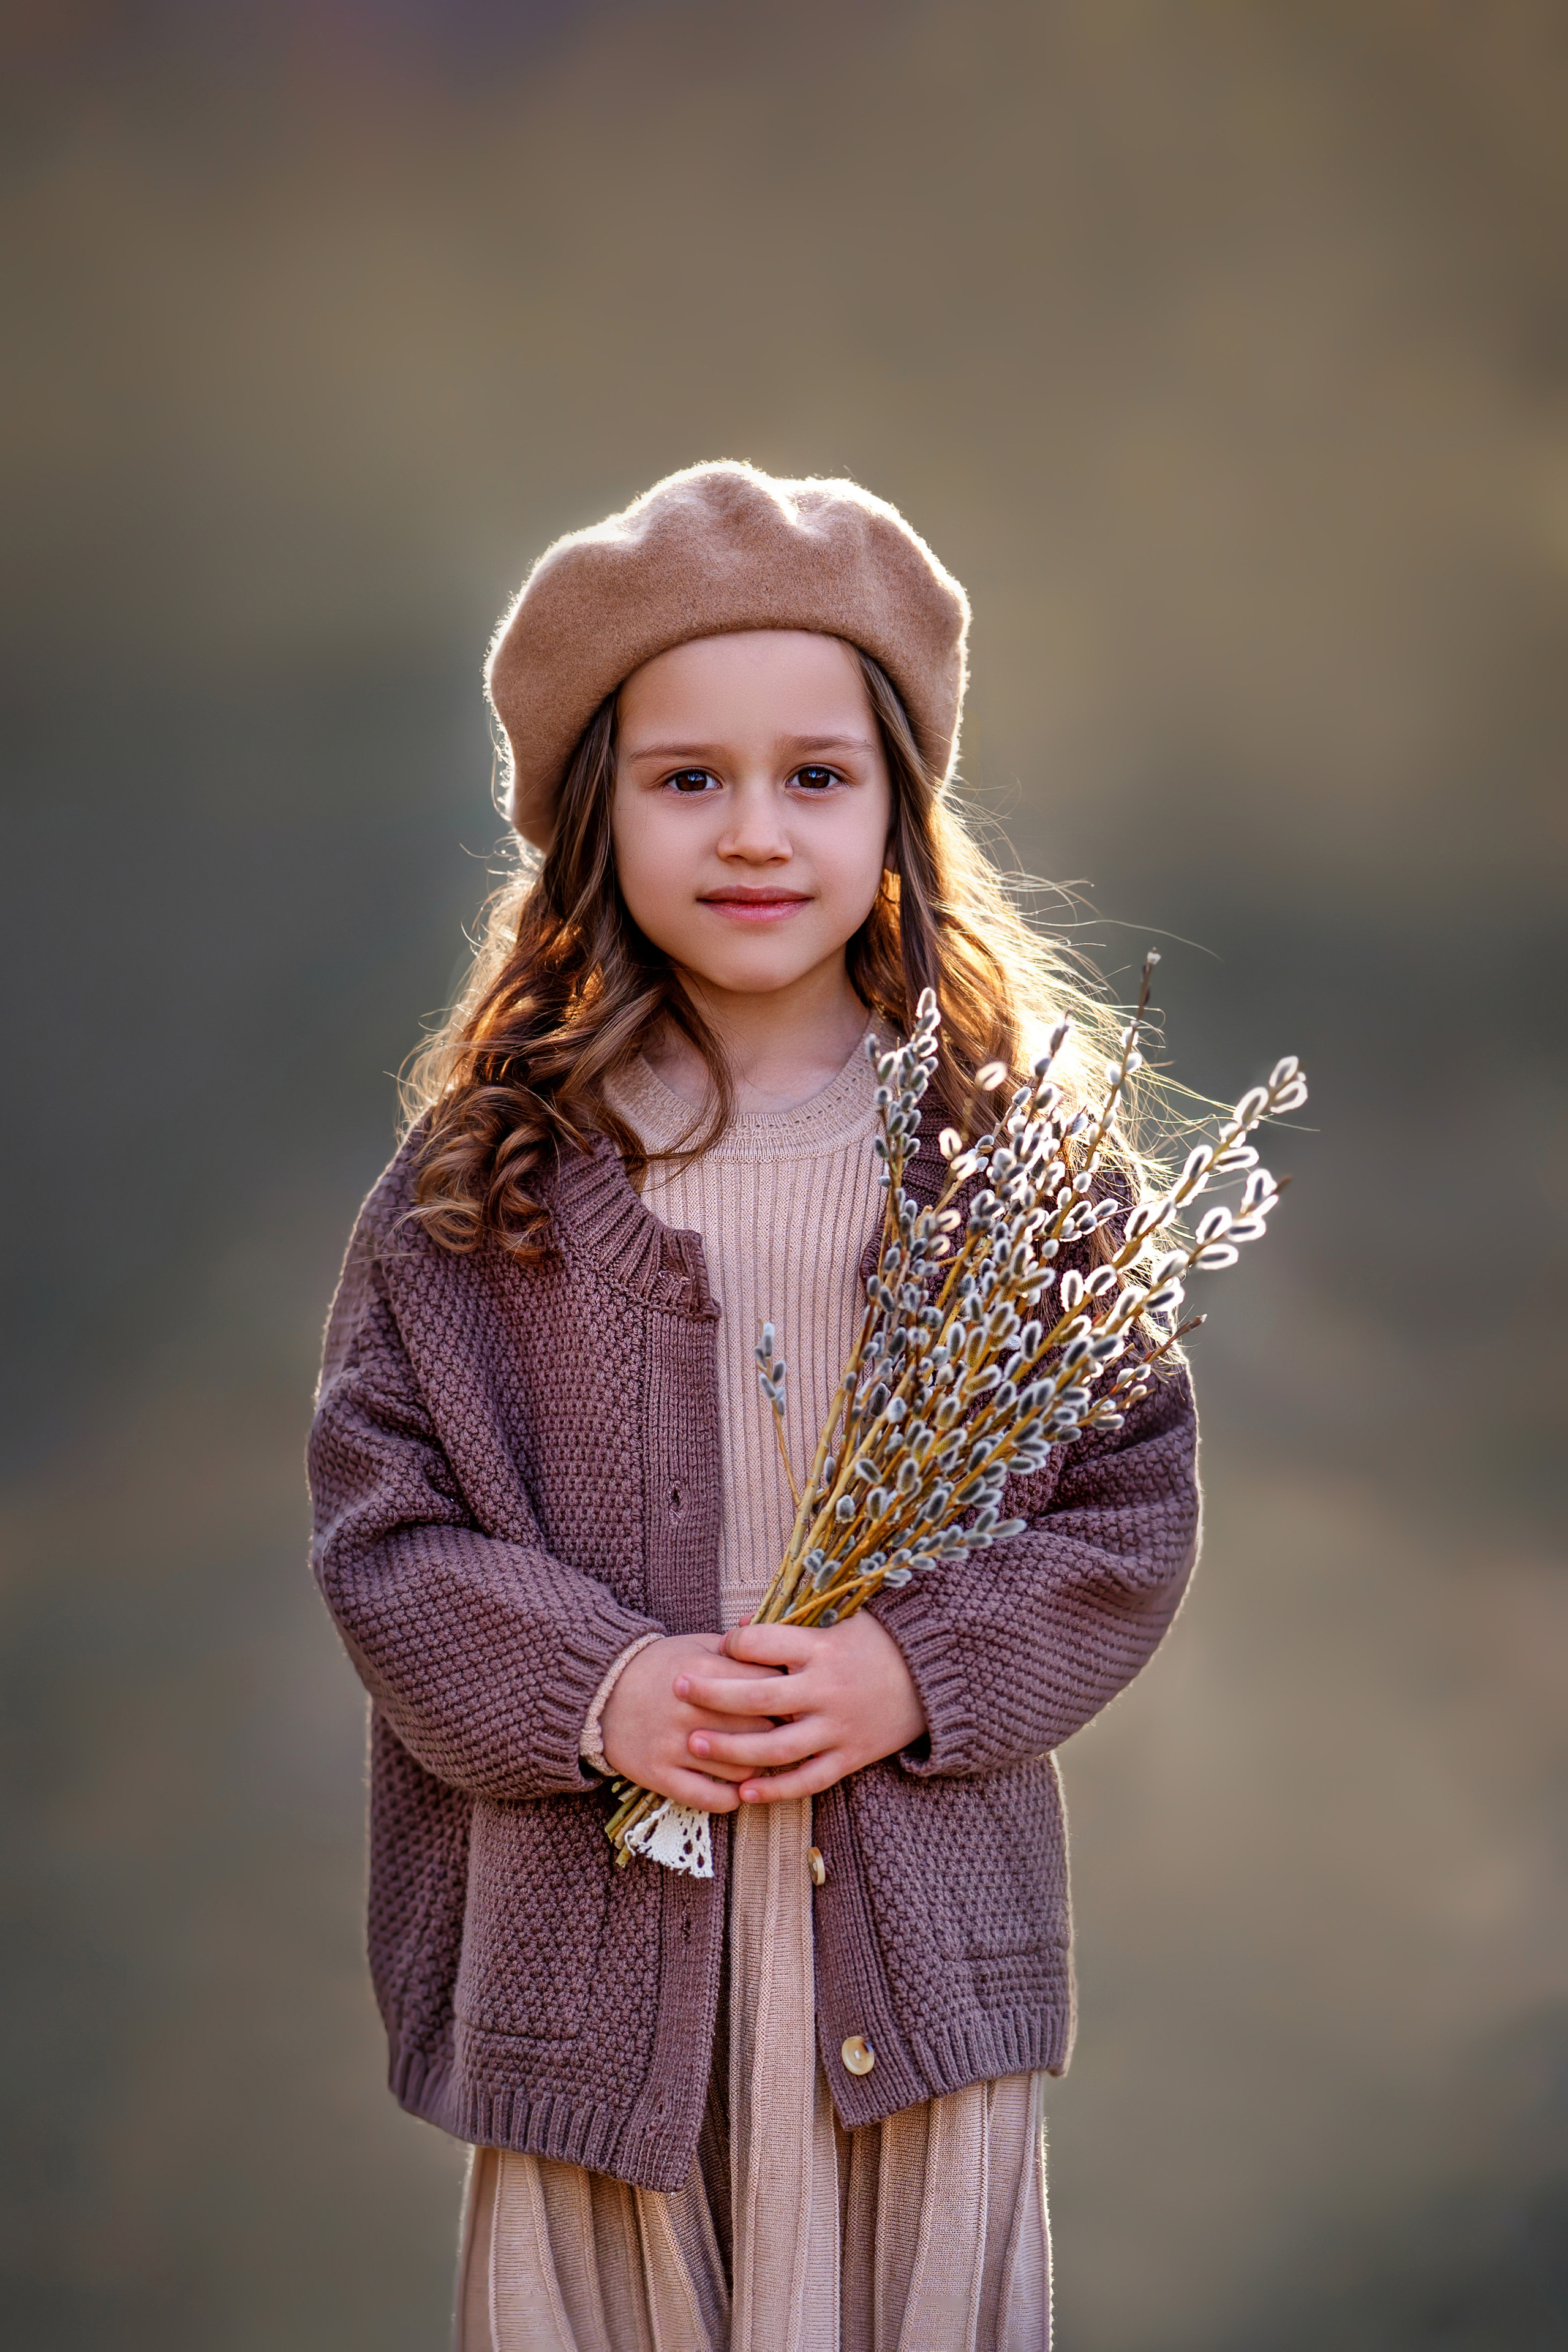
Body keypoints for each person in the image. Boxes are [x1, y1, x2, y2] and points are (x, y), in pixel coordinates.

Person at [308, 462, 1200, 2351]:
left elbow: (1123, 1506)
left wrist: (914, 1671)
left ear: (900, 810)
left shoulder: (1005, 1169)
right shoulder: (492, 1182)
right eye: (685, 778)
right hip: (599, 1956)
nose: (754, 832)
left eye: (815, 775)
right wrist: (600, 1691)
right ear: (590, 819)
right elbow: (385, 1535)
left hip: (910, 1963)